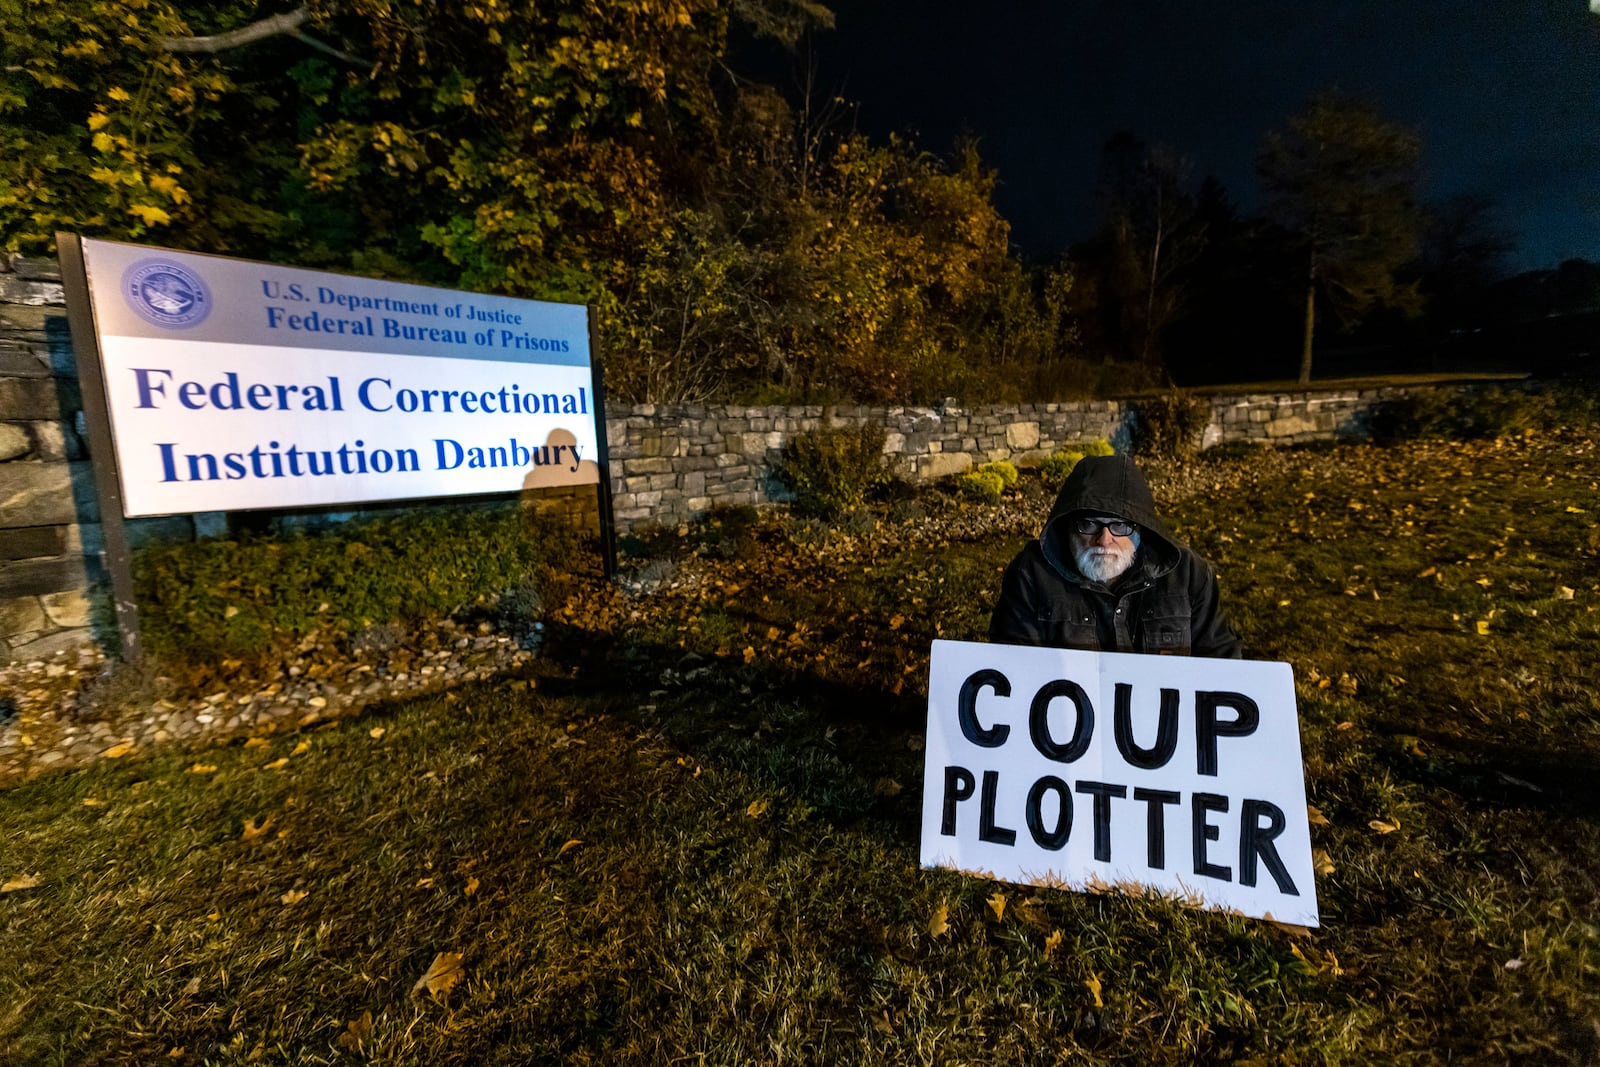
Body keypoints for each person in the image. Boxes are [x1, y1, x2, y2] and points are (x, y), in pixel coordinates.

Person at [989, 452, 1240, 657]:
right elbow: (1014, 672)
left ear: (1142, 528)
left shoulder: (1189, 576)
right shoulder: (1032, 576)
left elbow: (1223, 666)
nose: (1104, 540)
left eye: (1120, 526)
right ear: (1066, 526)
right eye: (1089, 524)